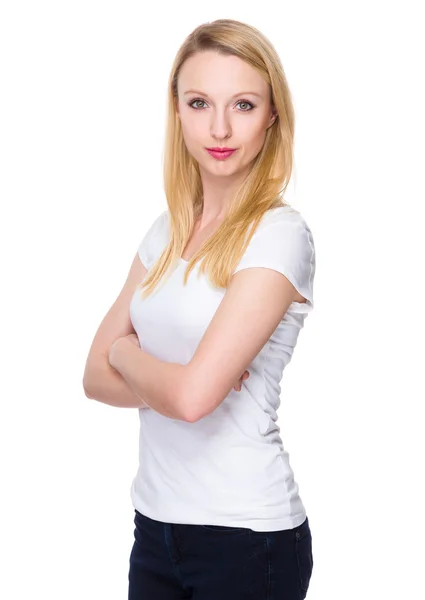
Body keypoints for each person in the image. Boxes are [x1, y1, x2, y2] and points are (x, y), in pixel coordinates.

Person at [83, 18, 316, 600]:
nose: (219, 127)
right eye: (199, 102)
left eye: (242, 104)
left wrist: (127, 354)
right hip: (155, 527)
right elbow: (92, 378)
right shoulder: (164, 233)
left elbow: (190, 403)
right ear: (178, 112)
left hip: (246, 539)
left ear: (272, 116)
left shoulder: (280, 235)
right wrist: (156, 368)